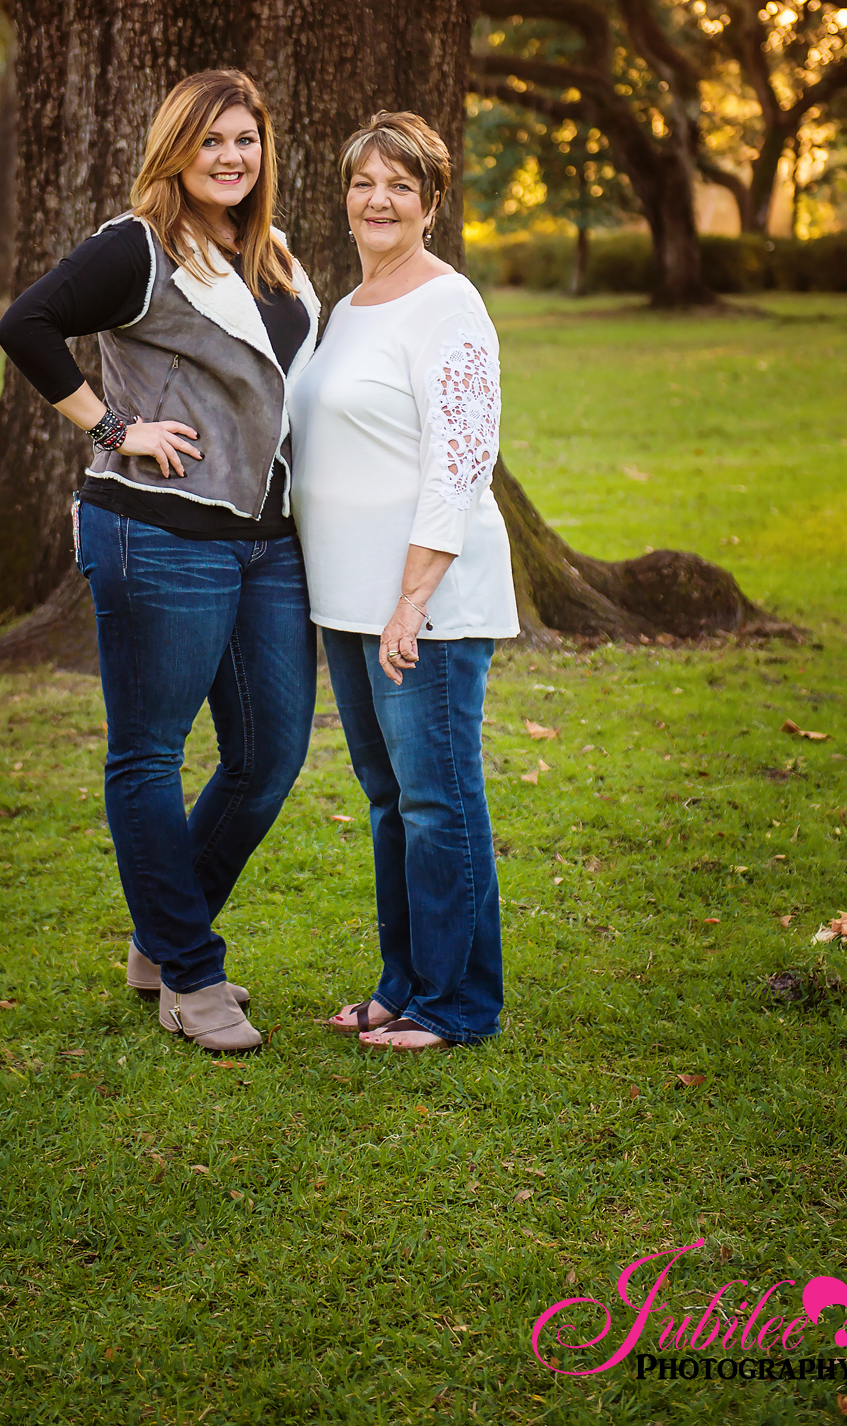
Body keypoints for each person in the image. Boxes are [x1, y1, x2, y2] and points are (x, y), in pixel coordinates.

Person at [0, 71, 320, 1053]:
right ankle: (189, 970)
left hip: (268, 542)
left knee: (268, 755)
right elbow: (28, 324)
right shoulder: (137, 246)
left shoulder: (271, 257)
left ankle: (161, 928)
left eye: (246, 140)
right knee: (148, 752)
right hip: (158, 531)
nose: (231, 156)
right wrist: (116, 427)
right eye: (211, 139)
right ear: (175, 148)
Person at [289, 111, 518, 1050]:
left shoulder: (448, 306)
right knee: (392, 803)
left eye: (399, 186)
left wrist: (413, 599)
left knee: (437, 801)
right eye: (363, 184)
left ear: (429, 202)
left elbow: (461, 461)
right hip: (348, 602)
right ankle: (401, 982)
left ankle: (457, 1003)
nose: (378, 200)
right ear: (344, 198)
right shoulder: (345, 308)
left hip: (421, 605)